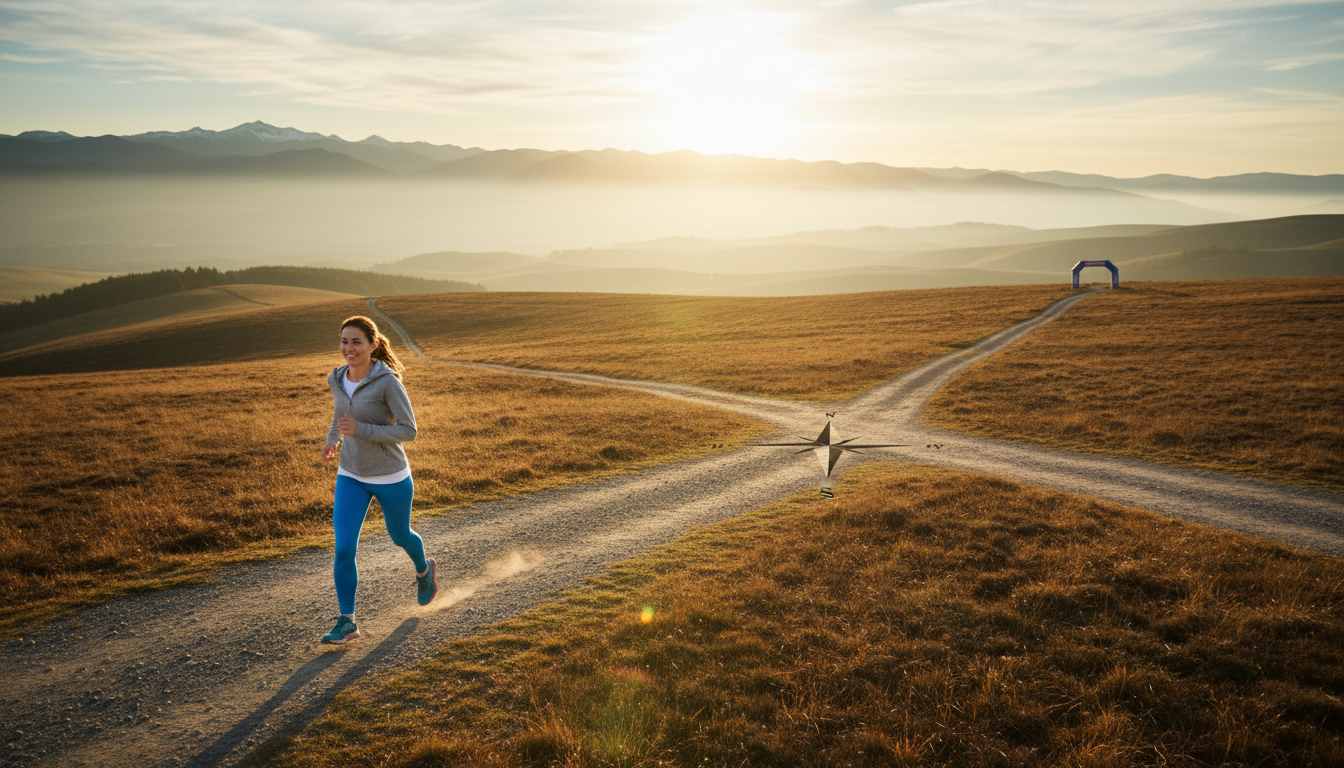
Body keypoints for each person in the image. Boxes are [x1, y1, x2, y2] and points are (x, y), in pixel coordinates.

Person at [319, 315, 436, 643]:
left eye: (356, 342)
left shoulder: (387, 382)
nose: (348, 348)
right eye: (344, 341)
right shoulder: (337, 378)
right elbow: (340, 416)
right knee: (343, 548)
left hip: (391, 476)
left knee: (400, 535)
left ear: (374, 345)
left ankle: (424, 569)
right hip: (351, 475)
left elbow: (409, 430)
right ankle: (348, 621)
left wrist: (362, 430)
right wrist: (333, 440)